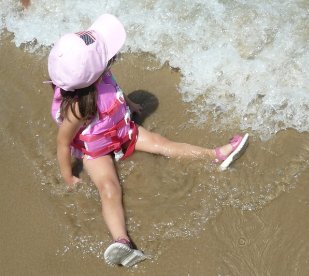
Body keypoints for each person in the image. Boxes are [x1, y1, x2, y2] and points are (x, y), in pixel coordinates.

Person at [48, 14, 249, 268]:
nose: (113, 56)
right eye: (107, 55)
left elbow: (114, 91)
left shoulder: (101, 75)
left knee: (161, 143)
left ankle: (216, 154)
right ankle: (122, 241)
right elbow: (63, 143)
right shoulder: (77, 108)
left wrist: (130, 105)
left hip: (123, 130)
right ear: (94, 71)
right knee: (109, 188)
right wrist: (69, 176)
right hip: (95, 151)